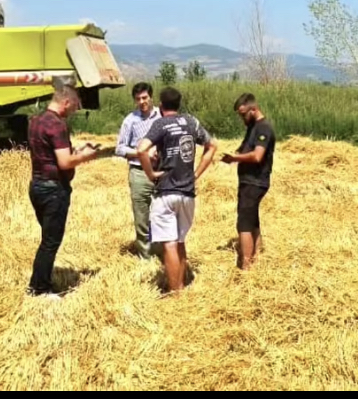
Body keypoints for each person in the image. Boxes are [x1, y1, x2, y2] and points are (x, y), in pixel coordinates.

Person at [26, 83, 103, 299]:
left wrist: (75, 151)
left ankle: (43, 280)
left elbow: (50, 154)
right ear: (66, 102)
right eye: (75, 106)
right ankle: (39, 289)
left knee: (47, 238)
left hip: (37, 186)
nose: (75, 111)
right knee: (50, 242)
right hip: (53, 190)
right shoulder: (57, 125)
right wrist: (87, 155)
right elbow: (65, 162)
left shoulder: (35, 121)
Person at [136, 86, 217, 293]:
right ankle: (181, 284)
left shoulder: (160, 123)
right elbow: (212, 146)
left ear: (161, 106)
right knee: (180, 241)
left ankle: (175, 292)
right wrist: (197, 173)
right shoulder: (191, 121)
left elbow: (141, 149)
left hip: (166, 191)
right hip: (188, 193)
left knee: (169, 244)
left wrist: (151, 174)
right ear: (178, 104)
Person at [220, 93, 275, 271]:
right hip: (249, 181)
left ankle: (246, 266)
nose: (242, 118)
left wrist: (235, 158)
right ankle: (258, 256)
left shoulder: (263, 128)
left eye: (243, 114)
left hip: (255, 181)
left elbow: (257, 156)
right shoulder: (253, 127)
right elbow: (247, 149)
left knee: (243, 223)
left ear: (253, 109)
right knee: (252, 220)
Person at [114, 81, 162, 260]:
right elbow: (119, 148)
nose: (142, 102)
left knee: (160, 214)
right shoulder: (130, 120)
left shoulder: (162, 116)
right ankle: (145, 256)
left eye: (145, 98)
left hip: (161, 172)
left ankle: (161, 252)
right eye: (138, 99)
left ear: (151, 97)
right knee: (141, 215)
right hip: (139, 173)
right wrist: (141, 154)